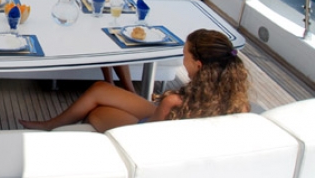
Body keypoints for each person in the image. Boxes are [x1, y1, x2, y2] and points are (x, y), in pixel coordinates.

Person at [19, 29, 250, 132]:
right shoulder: (240, 105)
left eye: (185, 55)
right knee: (100, 88)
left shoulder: (174, 102)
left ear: (199, 65)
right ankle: (50, 124)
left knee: (97, 113)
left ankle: (51, 127)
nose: (183, 60)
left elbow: (145, 138)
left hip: (151, 134)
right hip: (169, 119)